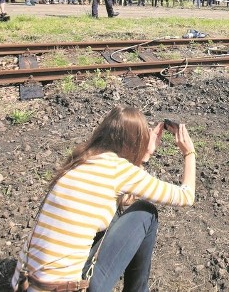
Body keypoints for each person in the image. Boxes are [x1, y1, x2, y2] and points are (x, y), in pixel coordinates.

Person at [11, 106, 196, 292]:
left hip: (24, 284)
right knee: (146, 212)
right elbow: (186, 196)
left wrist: (144, 155)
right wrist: (189, 152)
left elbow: (122, 200)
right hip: (69, 288)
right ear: (134, 143)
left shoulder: (80, 160)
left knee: (116, 212)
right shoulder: (118, 169)